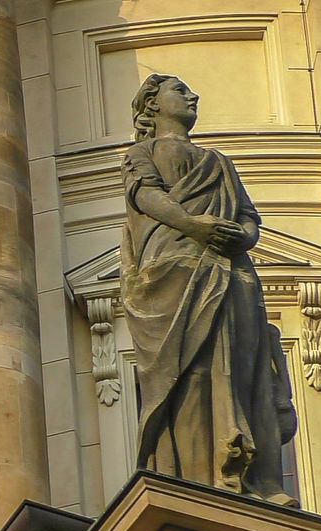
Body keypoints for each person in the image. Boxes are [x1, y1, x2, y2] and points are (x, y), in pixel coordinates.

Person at [120, 74, 297, 505]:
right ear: (152, 104)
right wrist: (193, 225)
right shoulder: (142, 152)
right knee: (190, 372)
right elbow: (144, 195)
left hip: (232, 273)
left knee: (244, 370)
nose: (193, 96)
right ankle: (196, 478)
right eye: (180, 90)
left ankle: (259, 479)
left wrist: (243, 235)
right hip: (177, 274)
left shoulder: (219, 162)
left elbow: (249, 216)